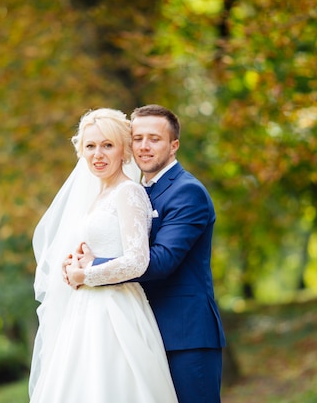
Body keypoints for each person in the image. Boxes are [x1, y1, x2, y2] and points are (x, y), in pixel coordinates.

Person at [69, 104, 227, 403]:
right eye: (137, 138)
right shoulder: (135, 189)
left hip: (185, 334)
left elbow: (163, 260)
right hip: (141, 325)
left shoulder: (187, 191)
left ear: (173, 145)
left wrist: (91, 268)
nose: (144, 146)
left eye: (154, 138)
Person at [29, 108, 178, 403]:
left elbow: (138, 260)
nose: (98, 154)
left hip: (116, 309)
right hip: (84, 308)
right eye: (91, 146)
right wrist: (74, 262)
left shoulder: (128, 193)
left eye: (107, 145)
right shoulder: (98, 195)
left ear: (123, 150)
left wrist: (85, 274)